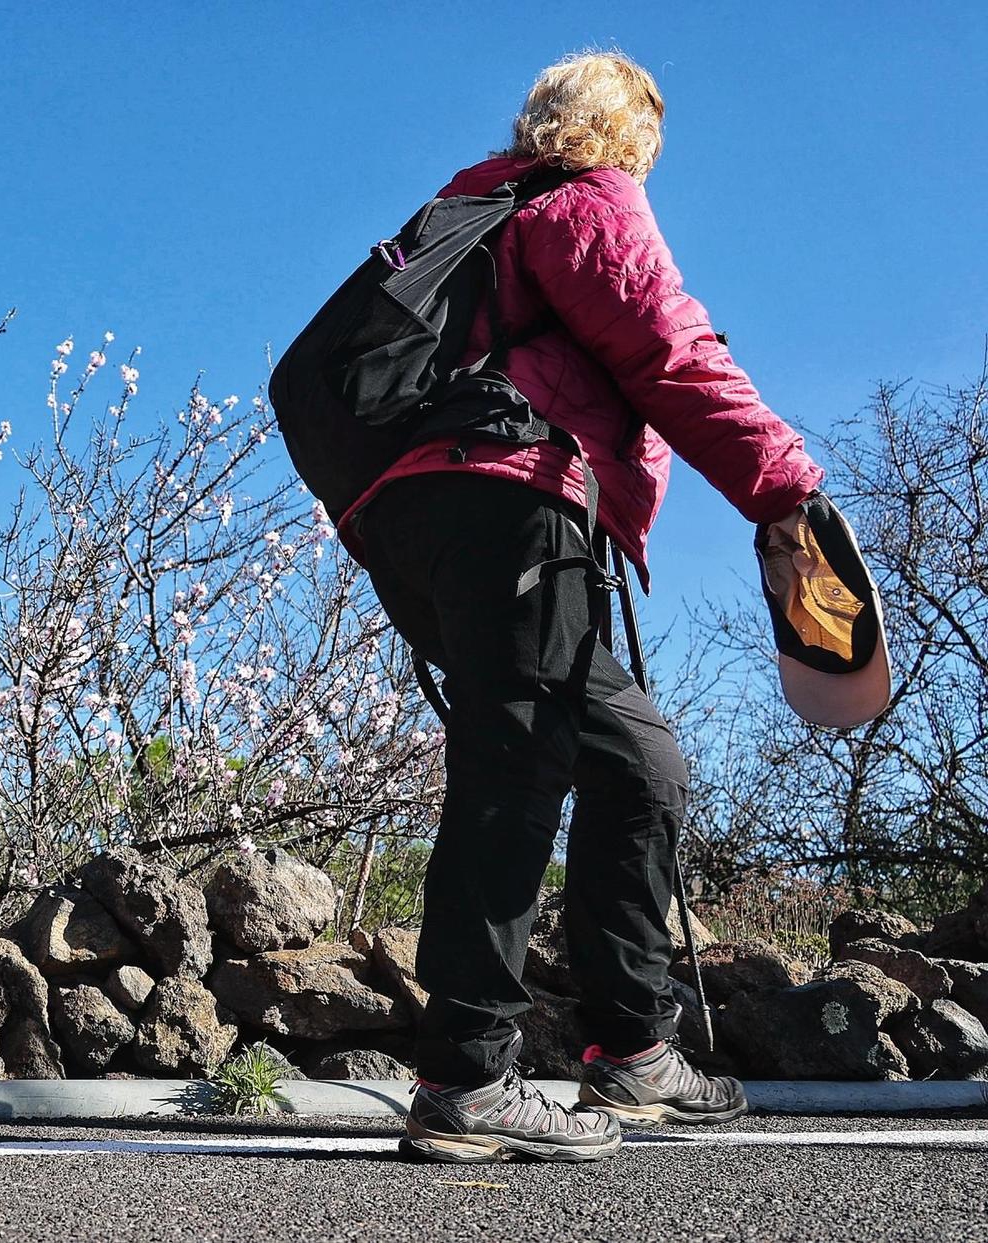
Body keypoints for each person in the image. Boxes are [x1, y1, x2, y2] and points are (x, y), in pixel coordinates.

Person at [337, 52, 822, 1163]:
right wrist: (783, 485)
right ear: (624, 131)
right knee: (517, 762)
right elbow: (666, 346)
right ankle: (463, 1075)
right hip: (507, 498)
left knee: (635, 761)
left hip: (418, 517)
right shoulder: (582, 200)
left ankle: (630, 1049)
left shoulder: (467, 209)